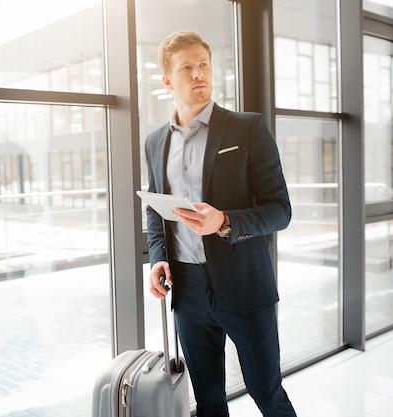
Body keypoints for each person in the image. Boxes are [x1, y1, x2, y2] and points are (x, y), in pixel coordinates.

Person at [144, 30, 297, 417]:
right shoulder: (156, 142)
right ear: (167, 81)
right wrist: (158, 257)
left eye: (204, 65)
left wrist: (225, 221)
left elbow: (280, 209)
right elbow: (154, 209)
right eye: (187, 68)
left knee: (268, 395)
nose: (199, 74)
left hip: (244, 285)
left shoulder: (247, 128)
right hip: (187, 290)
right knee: (209, 401)